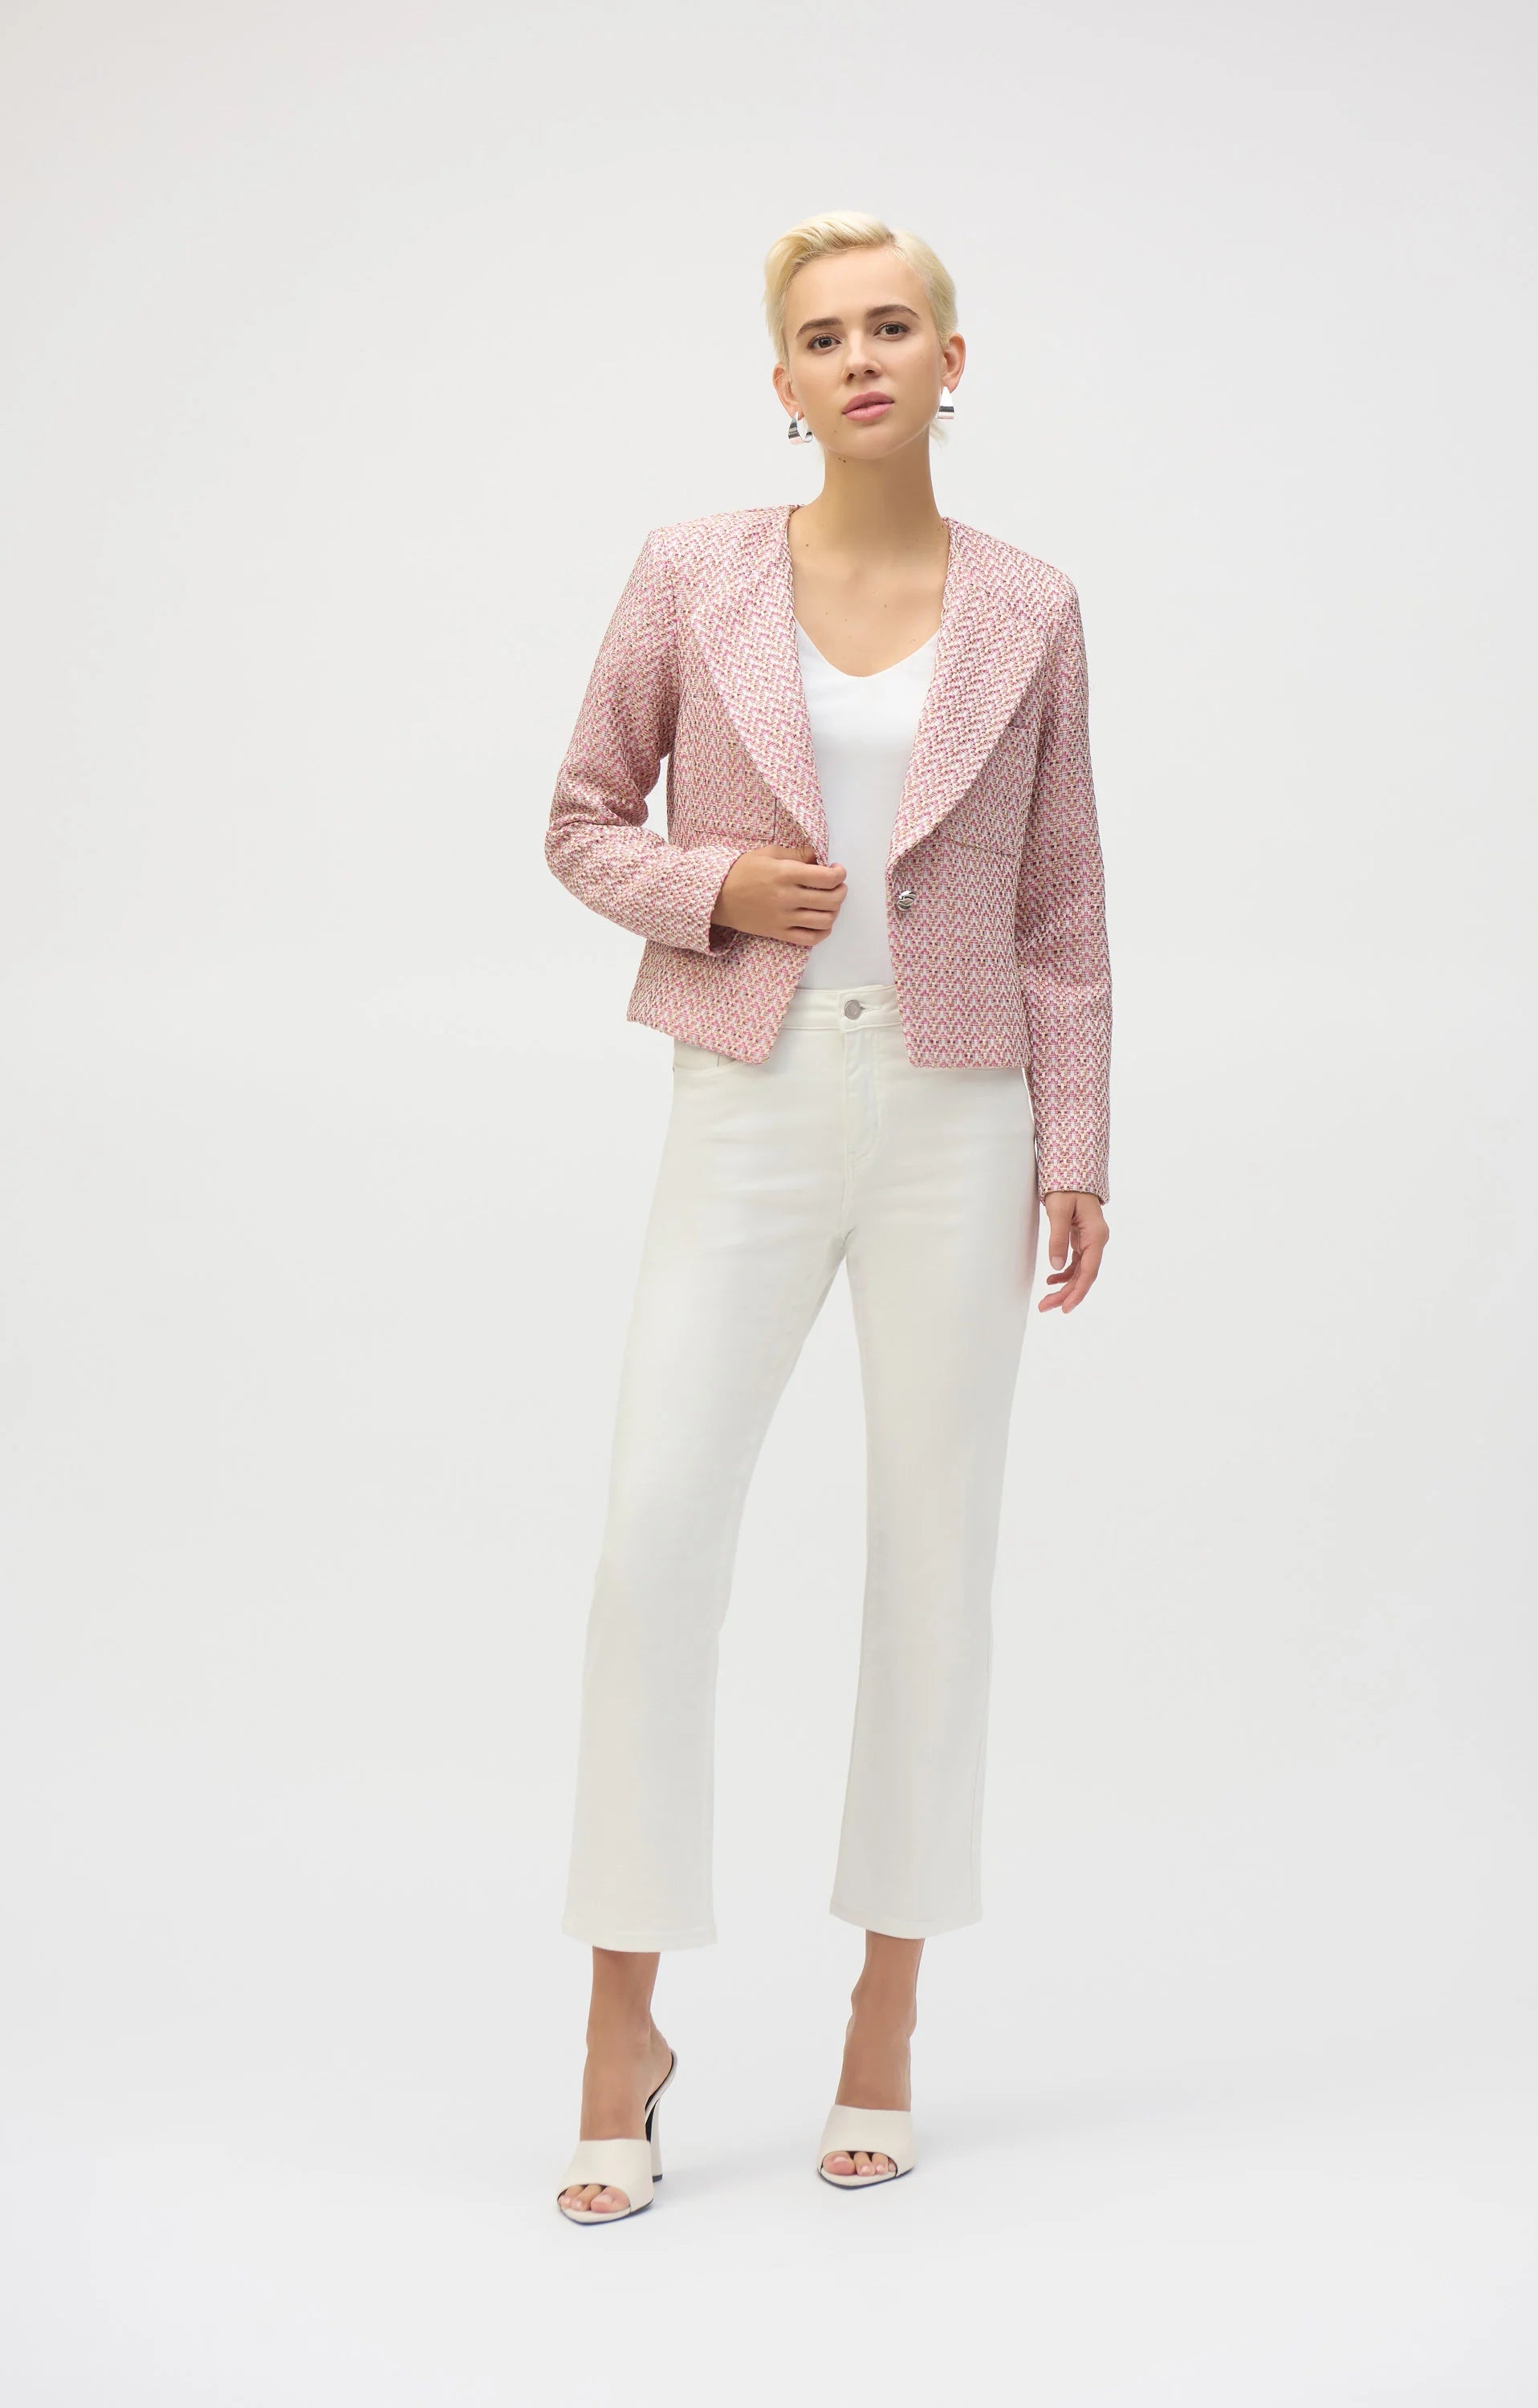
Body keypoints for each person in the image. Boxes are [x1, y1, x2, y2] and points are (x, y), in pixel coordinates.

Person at [544, 210, 1113, 2221]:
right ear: (778, 383)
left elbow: (1058, 901)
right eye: (820, 335)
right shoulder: (689, 571)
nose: (857, 356)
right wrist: (713, 886)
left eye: (890, 326)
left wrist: (1075, 1144)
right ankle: (620, 2026)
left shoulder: (1031, 604)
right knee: (652, 1538)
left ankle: (884, 2010)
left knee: (933, 1553)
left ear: (952, 360)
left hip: (960, 1109)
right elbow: (578, 819)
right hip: (753, 1087)